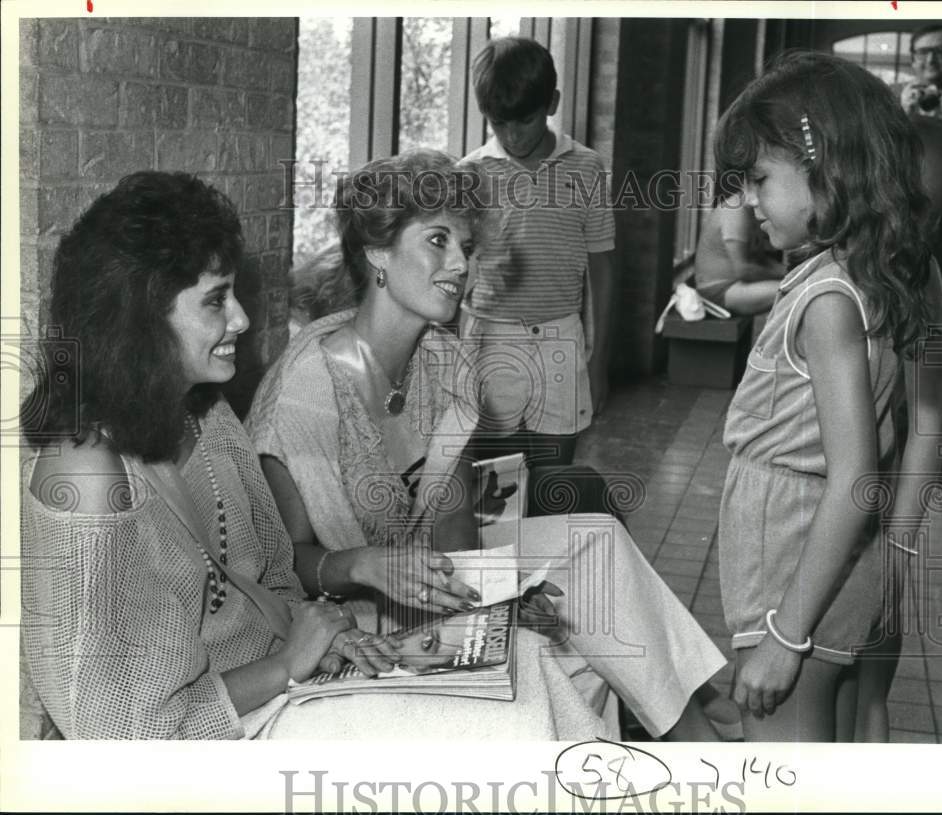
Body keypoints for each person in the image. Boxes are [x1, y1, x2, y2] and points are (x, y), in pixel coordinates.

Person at [18, 171, 600, 741]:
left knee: (527, 662)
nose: (242, 320)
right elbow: (109, 730)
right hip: (224, 736)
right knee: (511, 723)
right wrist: (287, 664)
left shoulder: (206, 415)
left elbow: (275, 573)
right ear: (142, 319)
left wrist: (332, 636)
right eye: (216, 301)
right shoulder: (85, 473)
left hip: (289, 681)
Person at [246, 149, 732, 741]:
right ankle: (661, 753)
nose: (461, 266)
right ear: (377, 252)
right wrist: (365, 565)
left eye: (468, 248)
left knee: (594, 546)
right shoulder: (307, 394)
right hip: (346, 614)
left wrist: (490, 599)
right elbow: (279, 561)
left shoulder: (442, 360)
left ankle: (693, 741)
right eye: (438, 241)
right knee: (559, 655)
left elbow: (455, 518)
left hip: (427, 582)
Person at [712, 51, 942, 741]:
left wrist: (785, 636)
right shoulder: (902, 269)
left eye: (759, 179)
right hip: (852, 566)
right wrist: (894, 563)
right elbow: (929, 426)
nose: (750, 201)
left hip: (794, 564)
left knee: (785, 771)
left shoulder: (824, 299)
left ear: (827, 168)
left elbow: (852, 479)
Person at [458, 36, 615, 469]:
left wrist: (599, 360)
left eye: (523, 121)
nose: (511, 135)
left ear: (552, 103)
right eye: (497, 122)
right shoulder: (468, 174)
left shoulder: (586, 168)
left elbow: (601, 267)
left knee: (552, 478)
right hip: (489, 337)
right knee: (495, 484)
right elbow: (450, 268)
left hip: (560, 339)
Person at [692, 191, 786, 315]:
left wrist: (794, 271)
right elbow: (744, 271)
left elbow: (760, 260)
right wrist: (788, 274)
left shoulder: (752, 210)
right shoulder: (735, 212)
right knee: (794, 290)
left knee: (797, 283)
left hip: (736, 284)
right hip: (717, 291)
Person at [896, 24, 942, 140]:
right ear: (913, 59)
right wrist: (900, 118)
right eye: (922, 52)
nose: (930, 60)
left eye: (940, 51)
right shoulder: (888, 96)